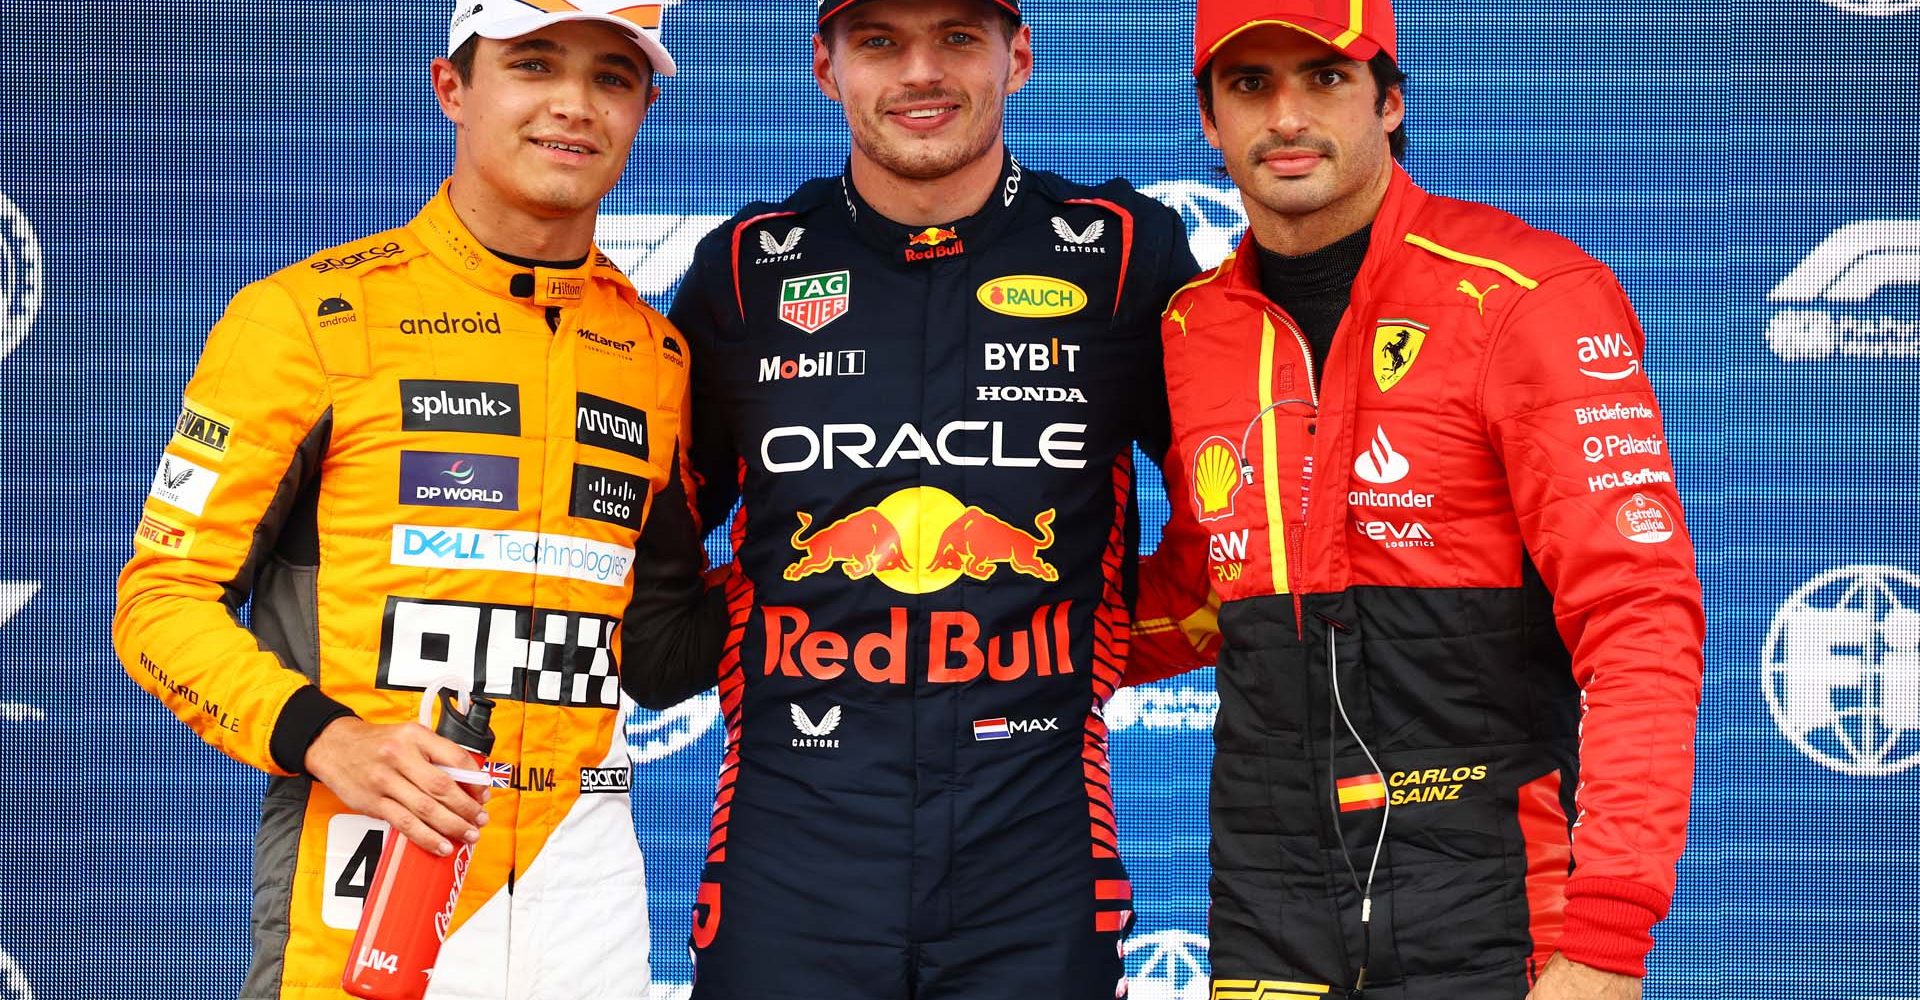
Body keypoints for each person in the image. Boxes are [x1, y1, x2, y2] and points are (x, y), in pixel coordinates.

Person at [1124, 1, 1705, 998]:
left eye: (1325, 78)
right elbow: (1205, 588)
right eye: (1249, 85)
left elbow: (1638, 617)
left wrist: (1608, 935)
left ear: (1389, 101)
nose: (1286, 116)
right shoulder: (1194, 328)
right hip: (1269, 920)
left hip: (1498, 918)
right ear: (1210, 122)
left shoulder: (1526, 293)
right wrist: (969, 639)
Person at [112, 3, 691, 996]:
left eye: (612, 76)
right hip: (367, 875)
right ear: (452, 88)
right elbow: (159, 603)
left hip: (584, 871)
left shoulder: (656, 355)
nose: (573, 104)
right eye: (535, 63)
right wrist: (328, 736)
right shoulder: (303, 320)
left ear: (641, 108)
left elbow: (668, 640)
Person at [624, 0, 1198, 996]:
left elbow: (1246, 513)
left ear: (1018, 57)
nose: (921, 71)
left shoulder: (1119, 254)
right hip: (789, 862)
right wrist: (774, 623)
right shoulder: (747, 271)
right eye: (881, 41)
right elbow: (649, 552)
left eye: (959, 38)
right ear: (825, 67)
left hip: (1037, 860)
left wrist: (1092, 637)